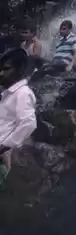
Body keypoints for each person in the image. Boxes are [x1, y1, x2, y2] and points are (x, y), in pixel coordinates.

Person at [0, 48, 38, 190]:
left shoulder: (23, 93)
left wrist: (5, 146)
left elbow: (29, 123)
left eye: (6, 69)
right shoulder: (8, 94)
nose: (1, 73)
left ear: (20, 69)